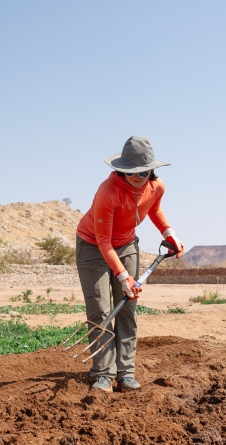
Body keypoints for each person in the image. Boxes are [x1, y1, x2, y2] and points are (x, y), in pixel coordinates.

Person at [75, 136, 184, 392]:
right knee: (100, 311)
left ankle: (125, 373)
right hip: (93, 246)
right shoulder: (108, 192)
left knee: (127, 307)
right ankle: (102, 373)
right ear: (120, 169)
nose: (137, 177)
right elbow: (103, 241)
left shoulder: (157, 187)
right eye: (130, 172)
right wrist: (123, 276)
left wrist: (169, 233)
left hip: (125, 245)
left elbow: (154, 209)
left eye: (143, 172)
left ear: (151, 169)